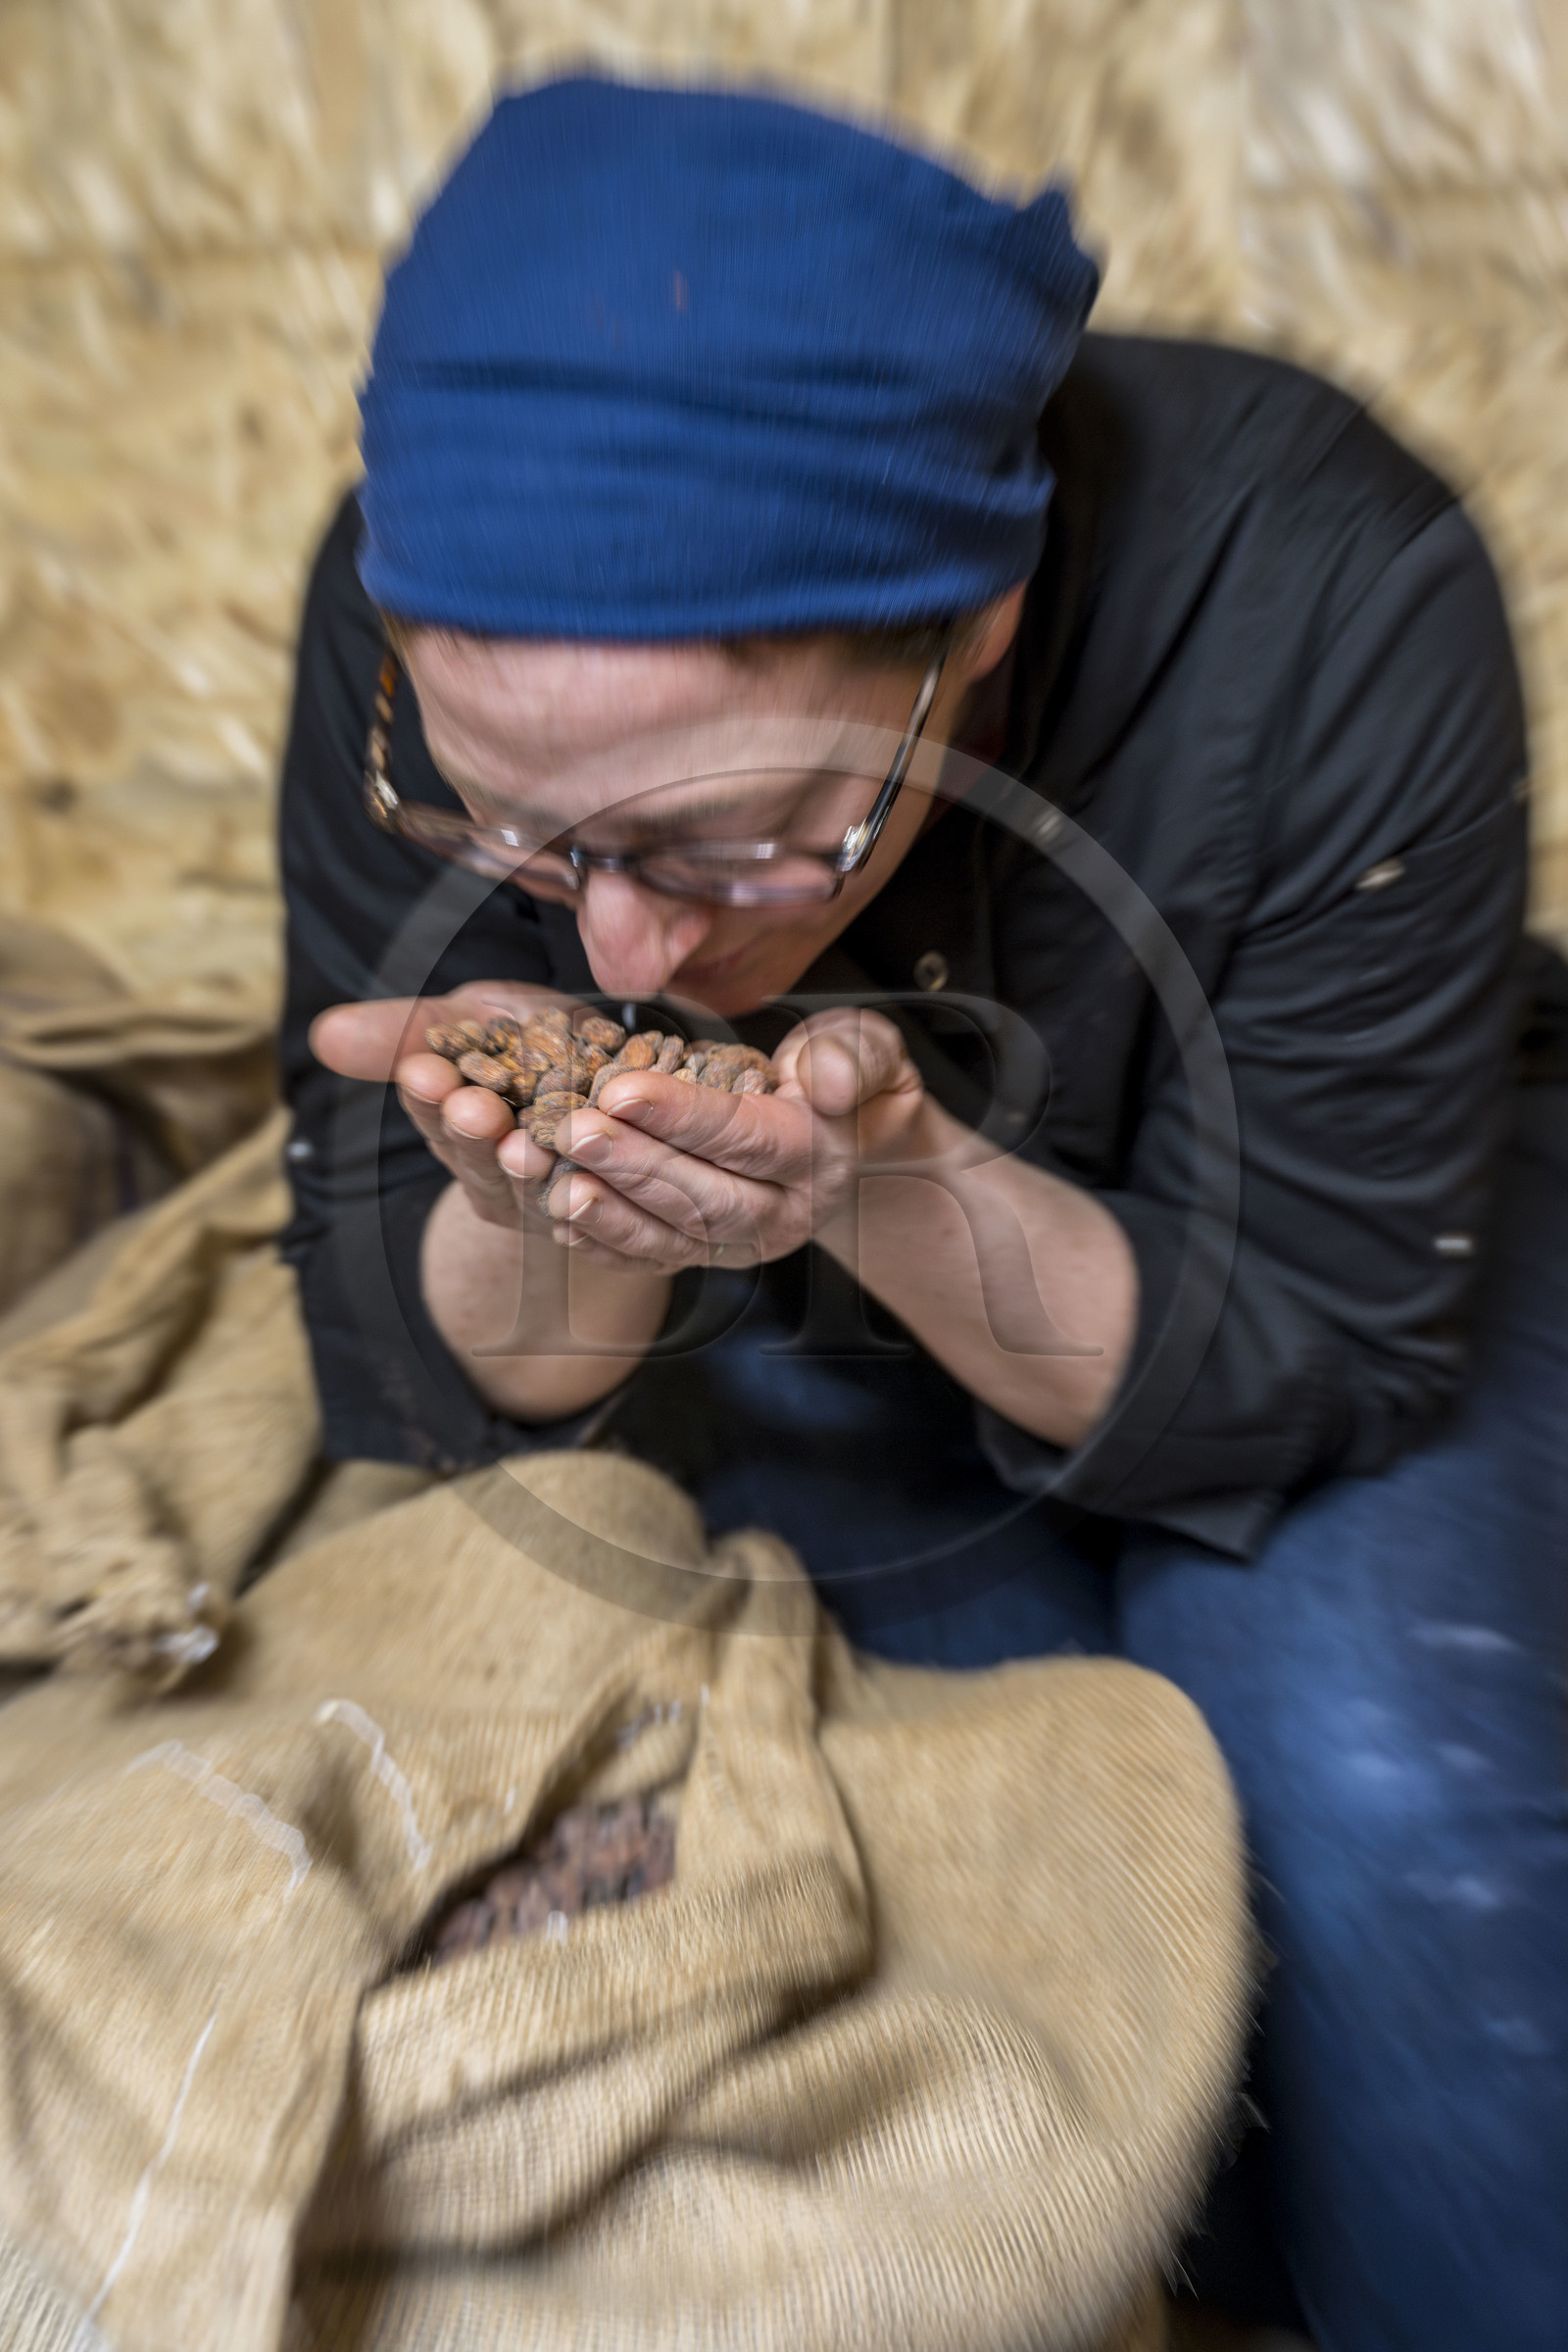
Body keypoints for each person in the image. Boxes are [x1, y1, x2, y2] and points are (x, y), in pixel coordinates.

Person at [278, 75, 1567, 2352]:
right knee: (978, 1868)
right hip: (802, 1264)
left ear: (971, 617)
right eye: (518, 831)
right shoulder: (424, 618)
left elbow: (1320, 1351)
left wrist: (885, 1182)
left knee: (1370, 1807)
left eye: (733, 845)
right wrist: (557, 1206)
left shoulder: (1338, 582)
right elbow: (442, 1374)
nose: (617, 959)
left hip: (1292, 1253)